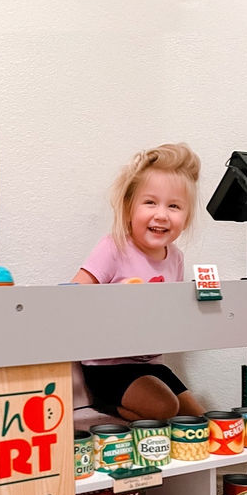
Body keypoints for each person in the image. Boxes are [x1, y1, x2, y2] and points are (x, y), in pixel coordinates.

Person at [72, 142, 204, 421]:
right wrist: (115, 299)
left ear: (187, 216)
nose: (161, 214)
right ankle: (104, 404)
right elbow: (72, 296)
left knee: (199, 417)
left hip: (150, 365)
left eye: (174, 206)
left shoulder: (175, 258)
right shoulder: (114, 247)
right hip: (108, 367)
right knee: (166, 409)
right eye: (150, 202)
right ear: (129, 206)